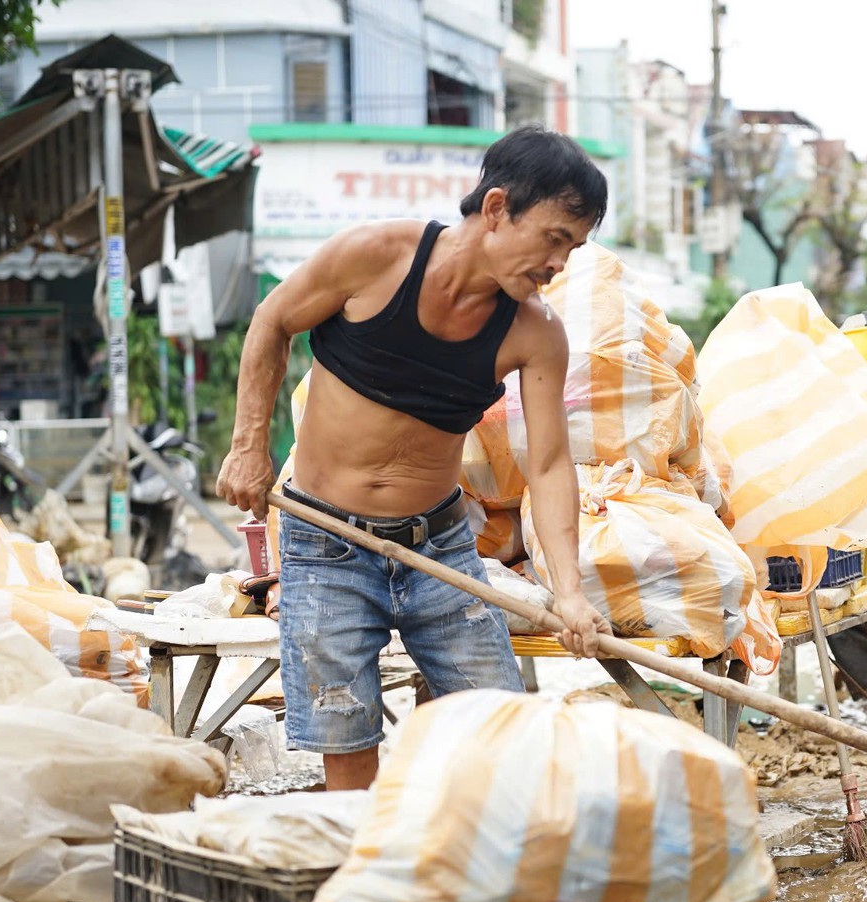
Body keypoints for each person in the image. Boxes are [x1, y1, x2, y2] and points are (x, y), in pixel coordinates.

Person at [216, 126, 610, 791]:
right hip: (325, 545)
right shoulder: (375, 257)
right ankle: (371, 874)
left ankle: (476, 878)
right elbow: (272, 320)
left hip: (439, 554)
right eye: (553, 238)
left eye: (572, 248)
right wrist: (249, 446)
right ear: (494, 209)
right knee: (347, 741)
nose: (558, 264)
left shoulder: (535, 333)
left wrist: (569, 592)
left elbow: (548, 466)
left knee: (499, 732)